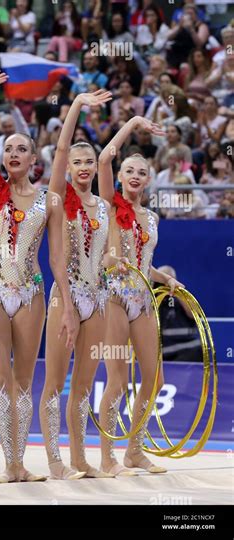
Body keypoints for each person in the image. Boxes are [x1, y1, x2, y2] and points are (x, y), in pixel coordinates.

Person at [0, 71, 76, 482]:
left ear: (34, 160)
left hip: (31, 293)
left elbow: (57, 259)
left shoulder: (49, 201)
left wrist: (65, 305)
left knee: (23, 381)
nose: (13, 154)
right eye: (8, 149)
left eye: (21, 149)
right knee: (0, 380)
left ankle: (23, 462)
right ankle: (11, 464)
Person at [97, 115, 184, 476]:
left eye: (141, 172)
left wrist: (164, 278)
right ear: (120, 177)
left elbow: (142, 263)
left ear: (148, 180)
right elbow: (104, 157)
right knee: (117, 379)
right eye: (129, 170)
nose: (134, 176)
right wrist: (132, 123)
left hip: (144, 299)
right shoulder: (111, 208)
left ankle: (135, 450)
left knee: (155, 378)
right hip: (115, 297)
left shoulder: (151, 218)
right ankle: (106, 456)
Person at [39, 90, 116, 480]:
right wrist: (77, 106)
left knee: (85, 386)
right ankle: (54, 461)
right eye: (78, 161)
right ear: (68, 167)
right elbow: (60, 147)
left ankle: (80, 458)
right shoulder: (57, 198)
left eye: (89, 161)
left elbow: (101, 251)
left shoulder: (103, 206)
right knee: (54, 382)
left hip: (98, 300)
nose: (84, 167)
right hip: (63, 300)